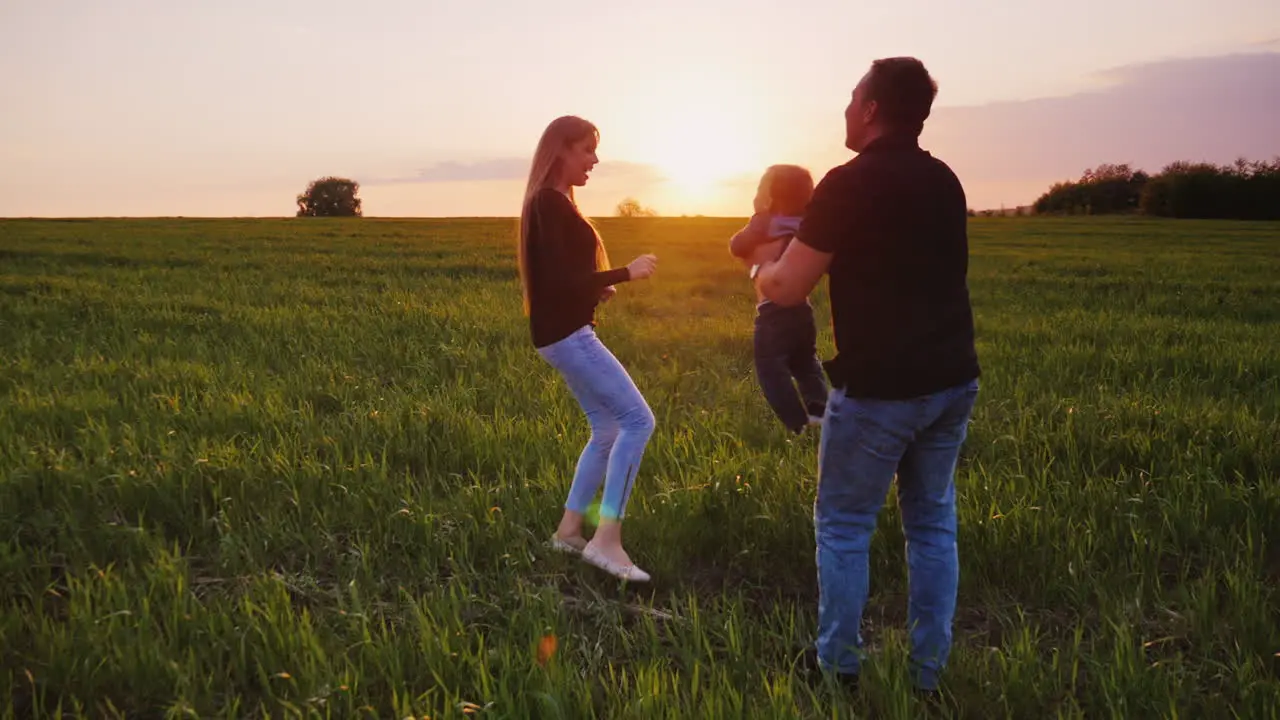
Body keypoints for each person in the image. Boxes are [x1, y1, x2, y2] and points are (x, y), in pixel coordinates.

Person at [750, 58, 981, 692]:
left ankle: (837, 672)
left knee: (845, 526)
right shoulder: (945, 179)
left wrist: (763, 274)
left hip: (880, 389)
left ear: (873, 108)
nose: (847, 109)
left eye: (854, 98)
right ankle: (928, 677)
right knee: (932, 525)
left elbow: (791, 287)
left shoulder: (848, 183)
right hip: (953, 379)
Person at [518, 115, 659, 583]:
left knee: (605, 429)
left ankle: (568, 532)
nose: (594, 159)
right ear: (561, 151)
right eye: (586, 150)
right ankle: (607, 540)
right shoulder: (551, 204)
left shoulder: (552, 203)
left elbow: (562, 282)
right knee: (638, 422)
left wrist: (593, 290)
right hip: (569, 336)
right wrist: (624, 272)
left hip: (561, 330)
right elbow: (559, 281)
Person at [728, 164, 828, 434]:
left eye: (760, 188)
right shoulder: (809, 224)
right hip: (802, 310)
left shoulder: (763, 221)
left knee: (771, 371)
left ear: (770, 197)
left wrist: (757, 219)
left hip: (772, 313)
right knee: (806, 362)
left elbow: (737, 246)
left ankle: (797, 427)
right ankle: (819, 413)